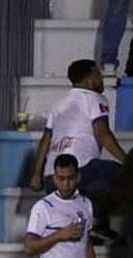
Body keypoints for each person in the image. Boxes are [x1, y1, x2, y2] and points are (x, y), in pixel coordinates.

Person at [31, 60, 125, 239]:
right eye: (98, 75)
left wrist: (36, 175)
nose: (101, 79)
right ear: (90, 77)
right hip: (81, 173)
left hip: (52, 180)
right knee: (125, 178)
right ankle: (97, 221)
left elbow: (45, 140)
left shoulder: (59, 104)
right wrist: (128, 162)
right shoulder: (95, 98)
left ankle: (95, 225)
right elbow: (103, 134)